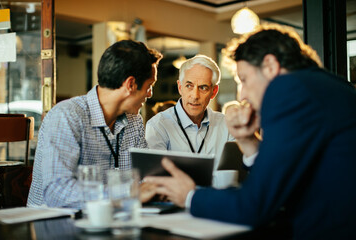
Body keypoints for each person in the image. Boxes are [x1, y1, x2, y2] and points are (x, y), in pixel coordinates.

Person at [144, 24, 356, 239]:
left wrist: (190, 196)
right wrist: (248, 141)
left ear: (270, 65)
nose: (242, 94)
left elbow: (255, 205)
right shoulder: (329, 86)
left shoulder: (289, 91)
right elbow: (283, 173)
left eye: (243, 79)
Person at [27, 40, 163, 209]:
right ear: (130, 85)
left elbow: (142, 177)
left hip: (111, 218)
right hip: (54, 223)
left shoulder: (134, 122)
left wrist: (157, 186)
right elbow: (58, 193)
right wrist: (129, 193)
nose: (150, 94)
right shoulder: (66, 116)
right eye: (149, 86)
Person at [145, 55, 235, 187]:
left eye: (203, 88)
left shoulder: (228, 125)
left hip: (218, 203)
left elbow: (236, 175)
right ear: (180, 87)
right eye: (189, 86)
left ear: (214, 91)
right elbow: (157, 180)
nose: (195, 96)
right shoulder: (158, 125)